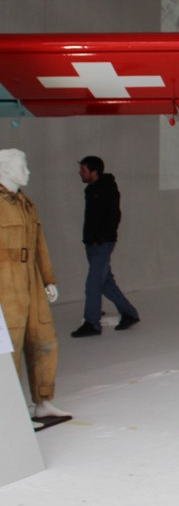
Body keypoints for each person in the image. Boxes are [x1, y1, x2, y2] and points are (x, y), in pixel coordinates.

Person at [0, 148, 70, 427]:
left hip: (31, 280)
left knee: (44, 338)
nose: (27, 172)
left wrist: (49, 279)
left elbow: (39, 245)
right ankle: (13, 411)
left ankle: (43, 401)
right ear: (4, 169)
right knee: (12, 345)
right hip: (6, 282)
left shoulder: (27, 204)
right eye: (22, 167)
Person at [71, 156, 140, 337]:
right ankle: (130, 313)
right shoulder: (91, 189)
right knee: (106, 283)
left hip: (101, 244)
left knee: (93, 284)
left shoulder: (107, 189)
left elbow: (114, 216)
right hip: (93, 244)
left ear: (94, 172)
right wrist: (90, 239)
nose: (80, 173)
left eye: (84, 170)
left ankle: (92, 323)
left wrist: (100, 239)